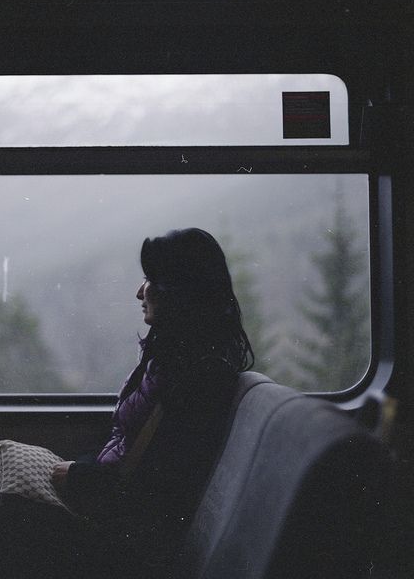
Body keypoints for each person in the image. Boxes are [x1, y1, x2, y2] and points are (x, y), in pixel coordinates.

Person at [47, 227, 255, 577]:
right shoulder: (169, 361)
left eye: (151, 280)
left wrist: (83, 477)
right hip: (115, 499)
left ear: (181, 293)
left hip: (134, 530)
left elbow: (162, 490)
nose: (139, 292)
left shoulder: (202, 377)